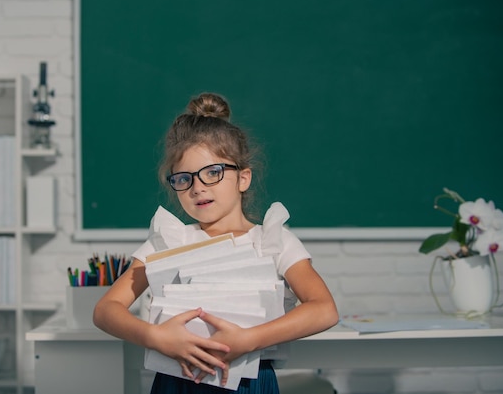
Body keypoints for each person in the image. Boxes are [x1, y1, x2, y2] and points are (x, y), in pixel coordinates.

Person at [93, 92, 338, 394]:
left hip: (250, 383)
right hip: (177, 384)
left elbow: (324, 310)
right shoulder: (169, 241)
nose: (197, 188)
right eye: (184, 178)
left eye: (213, 173)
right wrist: (156, 338)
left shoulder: (272, 240)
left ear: (243, 178)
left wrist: (250, 339)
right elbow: (106, 310)